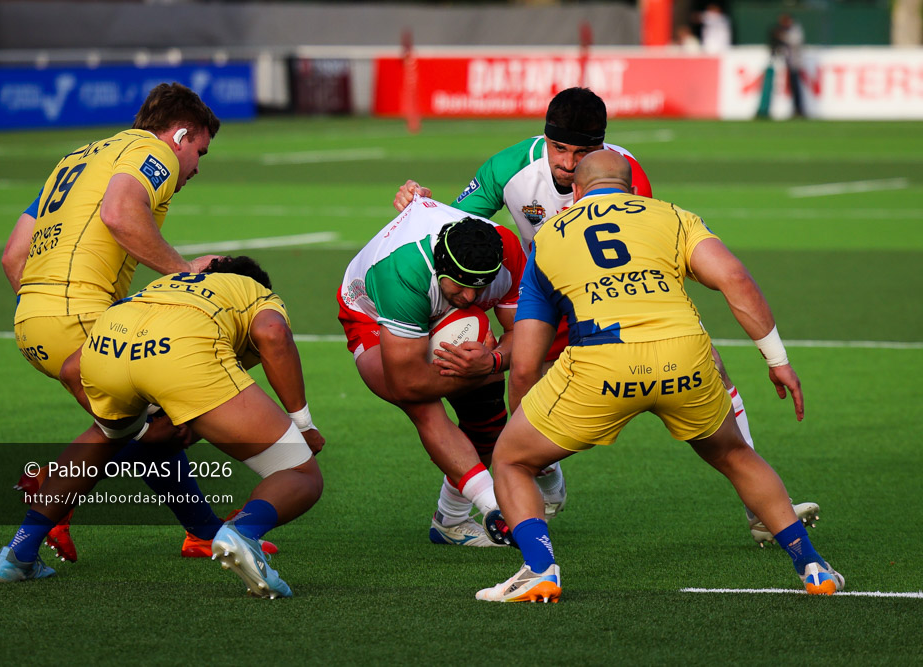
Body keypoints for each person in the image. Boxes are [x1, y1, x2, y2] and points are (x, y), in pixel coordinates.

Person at [394, 87, 818, 545]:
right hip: (542, 296)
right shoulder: (508, 167)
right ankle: (463, 511)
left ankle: (759, 511)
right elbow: (456, 230)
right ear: (545, 138)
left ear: (601, 147)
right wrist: (421, 207)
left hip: (606, 298)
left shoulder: (623, 171)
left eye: (582, 152)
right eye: (559, 148)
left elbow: (643, 252)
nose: (569, 163)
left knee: (711, 364)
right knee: (500, 387)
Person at [475, 151, 843, 602]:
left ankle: (539, 570)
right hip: (684, 357)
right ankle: (812, 566)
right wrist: (777, 360)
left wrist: (525, 422)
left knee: (511, 460)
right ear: (632, 189)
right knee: (735, 454)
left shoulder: (548, 237)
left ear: (576, 192)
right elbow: (734, 277)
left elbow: (526, 361)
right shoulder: (672, 216)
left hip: (602, 366)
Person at [0, 256, 324, 599]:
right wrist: (303, 425)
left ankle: (16, 555)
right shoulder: (255, 292)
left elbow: (71, 370)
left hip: (111, 341)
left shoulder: (164, 286)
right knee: (300, 473)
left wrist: (139, 431)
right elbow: (272, 332)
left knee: (105, 437)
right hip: (182, 350)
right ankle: (242, 532)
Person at [0, 82, 237, 564]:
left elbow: (12, 257)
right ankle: (51, 491)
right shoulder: (154, 151)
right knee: (169, 422)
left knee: (145, 424)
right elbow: (119, 213)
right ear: (180, 134)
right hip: (80, 318)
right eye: (199, 151)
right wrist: (184, 274)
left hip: (32, 323)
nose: (196, 167)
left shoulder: (77, 158)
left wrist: (48, 308)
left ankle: (202, 532)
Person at [338, 200, 526, 546]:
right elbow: (406, 385)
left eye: (481, 286)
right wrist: (475, 370)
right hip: (372, 312)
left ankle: (450, 522)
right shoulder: (401, 272)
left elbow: (524, 336)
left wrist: (493, 362)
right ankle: (497, 507)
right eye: (460, 285)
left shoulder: (508, 253)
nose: (470, 295)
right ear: (441, 268)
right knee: (421, 404)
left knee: (488, 422)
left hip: (435, 306)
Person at [770, 13, 806, 118]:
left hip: (795, 63)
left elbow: (794, 41)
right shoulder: (786, 30)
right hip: (788, 63)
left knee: (796, 87)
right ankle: (795, 109)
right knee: (791, 87)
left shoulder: (794, 30)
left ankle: (798, 109)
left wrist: (781, 35)